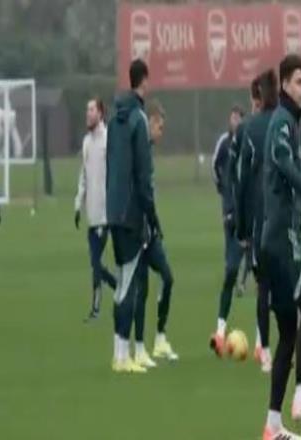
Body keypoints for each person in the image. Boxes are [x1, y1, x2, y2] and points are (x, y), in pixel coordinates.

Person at [262, 54, 301, 440]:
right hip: (281, 240)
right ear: (285, 84)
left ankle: (272, 426)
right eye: (299, 82)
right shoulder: (282, 122)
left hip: (277, 239)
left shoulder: (291, 121)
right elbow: (283, 165)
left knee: (288, 332)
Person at [106, 59, 161, 373]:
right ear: (145, 81)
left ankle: (119, 352)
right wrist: (151, 217)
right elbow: (143, 176)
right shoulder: (139, 119)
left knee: (122, 282)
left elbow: (111, 164)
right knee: (128, 284)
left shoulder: (115, 119)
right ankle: (122, 356)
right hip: (131, 213)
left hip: (113, 210)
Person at [236, 69, 278, 373]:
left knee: (263, 288)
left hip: (260, 221)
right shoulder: (287, 123)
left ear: (257, 98)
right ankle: (288, 344)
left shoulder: (250, 129)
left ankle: (265, 350)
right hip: (284, 219)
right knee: (287, 288)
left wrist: (241, 227)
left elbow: (241, 181)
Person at [74, 98, 116, 322]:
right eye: (86, 110)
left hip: (105, 214)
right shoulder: (86, 142)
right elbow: (84, 174)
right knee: (95, 263)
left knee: (96, 262)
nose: (87, 114)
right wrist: (78, 203)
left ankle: (97, 307)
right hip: (91, 214)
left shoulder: (109, 140)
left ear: (100, 114)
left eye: (91, 110)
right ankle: (118, 288)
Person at [142, 100, 178, 362]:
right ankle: (135, 347)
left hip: (150, 229)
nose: (161, 133)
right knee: (139, 288)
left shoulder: (148, 150)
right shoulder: (140, 150)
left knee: (167, 277)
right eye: (160, 127)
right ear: (151, 122)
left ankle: (159, 339)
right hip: (139, 230)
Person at [210, 104, 246, 356]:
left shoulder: (249, 142)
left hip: (251, 218)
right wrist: (224, 193)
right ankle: (220, 332)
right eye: (232, 117)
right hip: (231, 215)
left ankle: (262, 345)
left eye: (238, 118)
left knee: (264, 278)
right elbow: (216, 168)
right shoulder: (224, 143)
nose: (235, 121)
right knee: (230, 269)